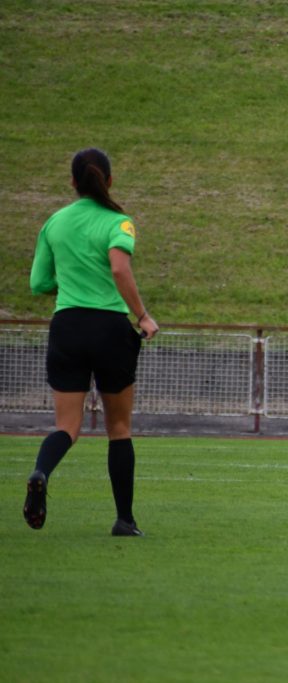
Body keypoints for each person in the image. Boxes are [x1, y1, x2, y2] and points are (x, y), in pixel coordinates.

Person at [24, 148, 159, 537]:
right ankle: (124, 520)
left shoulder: (54, 222)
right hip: (110, 329)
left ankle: (41, 472)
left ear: (72, 182)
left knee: (67, 426)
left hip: (67, 326)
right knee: (119, 427)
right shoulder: (119, 222)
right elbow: (119, 268)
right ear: (110, 180)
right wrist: (142, 316)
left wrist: (71, 284)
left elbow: (39, 283)